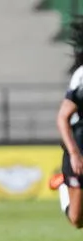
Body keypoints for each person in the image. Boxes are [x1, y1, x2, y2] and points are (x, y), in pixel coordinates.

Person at [50, 17, 83, 229]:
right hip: (81, 147)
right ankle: (63, 181)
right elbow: (63, 116)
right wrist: (74, 153)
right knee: (77, 220)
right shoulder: (82, 76)